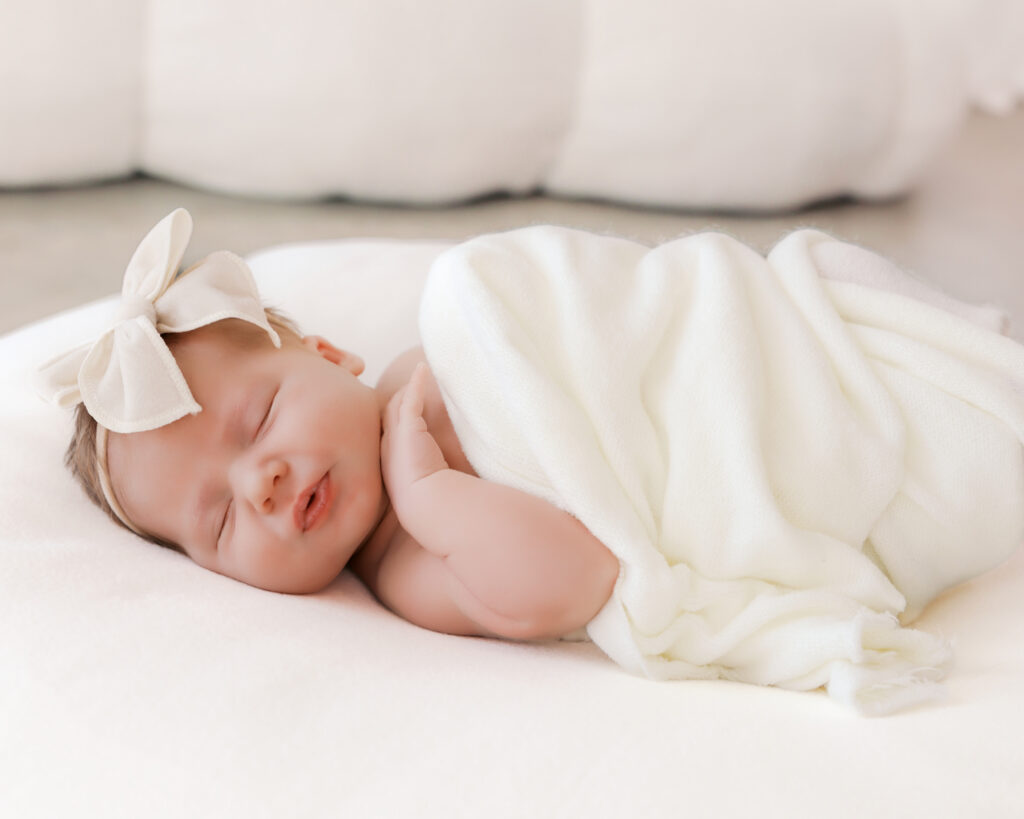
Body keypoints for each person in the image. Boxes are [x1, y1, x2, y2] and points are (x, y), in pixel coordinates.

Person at [38, 209, 619, 642]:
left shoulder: (428, 362)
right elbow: (580, 578)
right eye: (220, 521)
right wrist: (429, 496)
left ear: (332, 356)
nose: (258, 486)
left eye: (260, 420)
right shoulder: (409, 569)